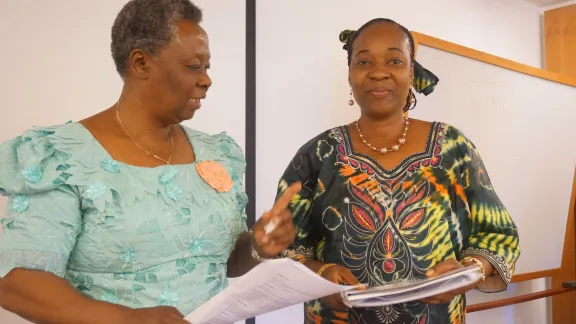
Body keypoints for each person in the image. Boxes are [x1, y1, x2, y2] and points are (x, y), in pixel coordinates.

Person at [0, 1, 300, 323]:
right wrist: (127, 319)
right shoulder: (64, 157)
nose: (206, 80)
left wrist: (258, 245)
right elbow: (17, 283)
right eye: (193, 66)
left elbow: (222, 261)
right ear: (141, 63)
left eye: (207, 68)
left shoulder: (217, 153)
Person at [276, 18, 520, 324]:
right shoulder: (318, 153)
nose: (378, 72)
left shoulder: (452, 147)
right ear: (350, 74)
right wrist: (320, 274)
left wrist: (468, 271)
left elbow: (497, 236)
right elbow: (281, 247)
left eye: (394, 60)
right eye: (363, 61)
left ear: (411, 72)